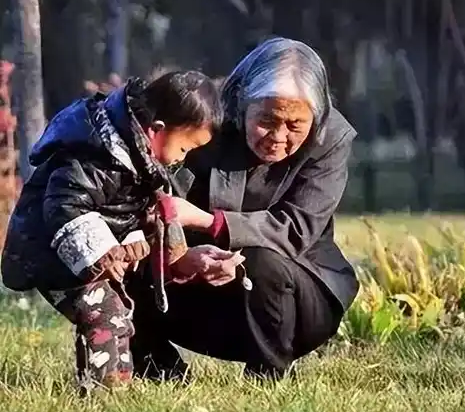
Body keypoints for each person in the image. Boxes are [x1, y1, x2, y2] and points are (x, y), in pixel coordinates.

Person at [127, 37, 360, 380]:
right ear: (241, 103)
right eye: (266, 120)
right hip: (193, 284)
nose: (278, 137)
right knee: (118, 253)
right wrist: (182, 254)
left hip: (295, 302)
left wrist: (211, 223)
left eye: (295, 125)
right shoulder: (200, 115)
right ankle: (158, 368)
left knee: (261, 258)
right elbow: (151, 196)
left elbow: (296, 230)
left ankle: (267, 375)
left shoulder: (332, 137)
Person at [0, 72, 243, 390]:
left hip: (88, 260)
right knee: (104, 315)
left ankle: (127, 378)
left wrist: (169, 251)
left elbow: (134, 213)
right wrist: (101, 252)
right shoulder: (96, 157)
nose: (183, 159)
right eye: (184, 148)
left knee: (120, 315)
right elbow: (63, 205)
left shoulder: (140, 162)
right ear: (156, 131)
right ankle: (103, 389)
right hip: (54, 257)